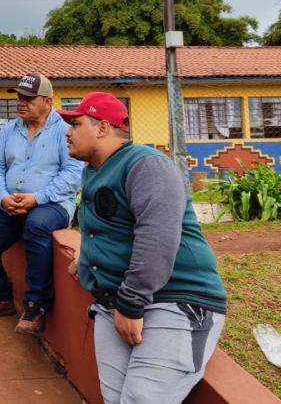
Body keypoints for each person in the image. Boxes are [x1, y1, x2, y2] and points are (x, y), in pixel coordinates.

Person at [59, 92, 226, 403]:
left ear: (102, 128)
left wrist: (131, 304)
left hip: (174, 299)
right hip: (114, 302)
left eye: (75, 123)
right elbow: (109, 226)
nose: (67, 132)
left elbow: (157, 237)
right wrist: (87, 256)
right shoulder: (93, 170)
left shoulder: (147, 165)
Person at [0, 73, 84, 335]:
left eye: (29, 98)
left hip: (53, 204)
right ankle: (0, 297)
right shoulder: (9, 130)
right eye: (19, 97)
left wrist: (37, 198)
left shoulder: (65, 131)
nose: (22, 102)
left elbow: (73, 173)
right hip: (10, 203)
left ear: (47, 101)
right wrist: (2, 196)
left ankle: (36, 306)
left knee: (36, 225)